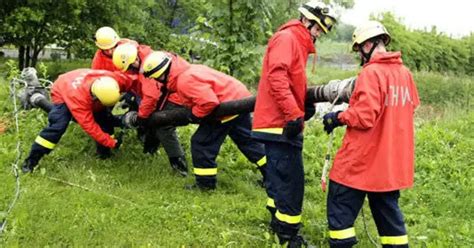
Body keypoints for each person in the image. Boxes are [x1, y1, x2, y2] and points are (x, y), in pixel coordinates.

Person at [322, 21, 419, 248]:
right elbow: (409, 107)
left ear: (367, 45)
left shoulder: (371, 73)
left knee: (340, 210)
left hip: (360, 161)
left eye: (359, 50)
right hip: (389, 165)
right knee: (389, 219)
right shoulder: (405, 74)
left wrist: (338, 117)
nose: (360, 55)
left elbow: (364, 117)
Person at [251, 0, 336, 246]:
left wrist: (303, 105)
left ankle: (277, 225)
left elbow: (289, 81)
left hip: (278, 123)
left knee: (281, 180)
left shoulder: (294, 42)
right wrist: (292, 114)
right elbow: (276, 76)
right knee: (291, 185)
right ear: (307, 21)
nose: (319, 34)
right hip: (279, 124)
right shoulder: (288, 39)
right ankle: (289, 238)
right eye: (318, 28)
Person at [141, 51, 268, 190]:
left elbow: (209, 103)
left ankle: (205, 185)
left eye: (156, 78)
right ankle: (273, 177)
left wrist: (194, 116)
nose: (157, 81)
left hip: (226, 109)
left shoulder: (184, 80)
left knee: (201, 144)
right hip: (239, 100)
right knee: (250, 143)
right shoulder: (187, 70)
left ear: (162, 73)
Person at [21, 69, 134, 173]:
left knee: (104, 118)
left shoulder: (109, 79)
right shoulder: (79, 101)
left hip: (81, 86)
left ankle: (104, 154)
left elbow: (132, 79)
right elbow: (91, 127)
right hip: (62, 90)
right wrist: (111, 142)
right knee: (58, 125)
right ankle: (31, 162)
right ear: (95, 98)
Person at [111, 42, 189, 176]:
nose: (131, 71)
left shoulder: (147, 66)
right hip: (181, 89)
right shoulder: (150, 55)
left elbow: (152, 96)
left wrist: (141, 118)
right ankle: (150, 151)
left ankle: (179, 167)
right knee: (154, 119)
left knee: (162, 124)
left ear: (134, 59)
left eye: (130, 67)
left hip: (182, 94)